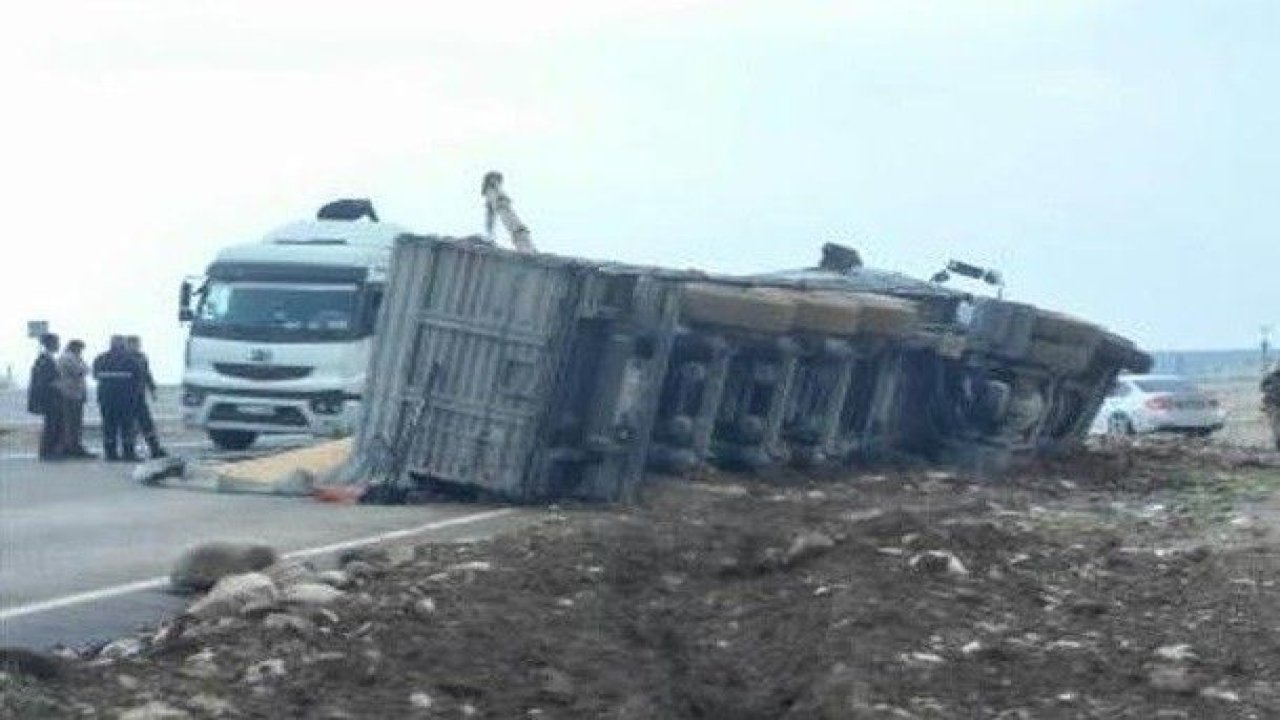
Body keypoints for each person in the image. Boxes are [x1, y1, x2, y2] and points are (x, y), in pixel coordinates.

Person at [92, 336, 142, 462]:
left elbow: (95, 375)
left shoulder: (101, 359)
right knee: (126, 427)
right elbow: (138, 378)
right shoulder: (131, 360)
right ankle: (128, 453)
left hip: (107, 399)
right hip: (125, 400)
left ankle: (110, 453)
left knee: (109, 426)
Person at [124, 335, 167, 458]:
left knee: (147, 424)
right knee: (130, 425)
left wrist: (152, 389)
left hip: (139, 396)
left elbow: (147, 374)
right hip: (128, 397)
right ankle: (129, 451)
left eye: (137, 344)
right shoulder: (125, 358)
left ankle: (155, 449)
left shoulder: (142, 357)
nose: (136, 346)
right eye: (132, 344)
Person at [53, 339, 94, 458]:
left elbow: (86, 369)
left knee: (74, 423)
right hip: (70, 394)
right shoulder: (68, 358)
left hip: (75, 394)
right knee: (71, 423)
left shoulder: (73, 357)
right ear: (75, 347)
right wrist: (83, 366)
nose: (81, 352)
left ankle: (74, 446)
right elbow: (81, 370)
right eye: (80, 349)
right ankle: (71, 447)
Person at [26, 333, 62, 460]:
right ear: (51, 344)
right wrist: (57, 385)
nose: (58, 345)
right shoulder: (44, 360)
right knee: (51, 424)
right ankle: (47, 451)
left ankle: (51, 450)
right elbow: (43, 380)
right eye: (57, 342)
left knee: (54, 424)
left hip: (53, 396)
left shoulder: (48, 359)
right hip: (50, 398)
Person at [1263, 363, 1280, 451]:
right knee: (1275, 426)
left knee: (1275, 426)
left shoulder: (1270, 377)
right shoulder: (1270, 377)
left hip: (1273, 405)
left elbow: (1262, 387)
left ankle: (1278, 443)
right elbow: (1262, 387)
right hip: (1273, 405)